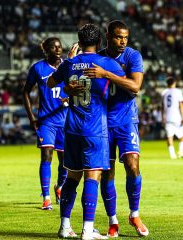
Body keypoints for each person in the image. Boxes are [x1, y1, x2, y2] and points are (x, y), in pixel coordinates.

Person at [48, 23, 125, 240]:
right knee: (93, 176)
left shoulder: (70, 63)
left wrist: (66, 85)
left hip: (71, 128)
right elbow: (130, 84)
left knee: (72, 177)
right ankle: (87, 230)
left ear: (79, 43)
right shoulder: (107, 63)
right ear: (100, 42)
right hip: (95, 128)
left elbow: (50, 83)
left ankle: (64, 227)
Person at [81, 20, 149, 237]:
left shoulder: (132, 56)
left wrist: (107, 74)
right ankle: (113, 220)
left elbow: (136, 87)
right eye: (119, 37)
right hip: (101, 123)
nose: (123, 41)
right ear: (108, 35)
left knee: (133, 164)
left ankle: (134, 214)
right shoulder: (98, 57)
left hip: (126, 120)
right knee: (107, 173)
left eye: (126, 37)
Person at [22, 37, 68, 210]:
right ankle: (46, 197)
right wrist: (31, 117)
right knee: (46, 155)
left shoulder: (68, 66)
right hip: (46, 121)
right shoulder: (38, 68)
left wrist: (70, 98)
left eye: (59, 46)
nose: (57, 50)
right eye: (53, 47)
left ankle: (60, 187)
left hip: (66, 121)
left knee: (65, 162)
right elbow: (25, 92)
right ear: (46, 50)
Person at [161, 77, 183, 159]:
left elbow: (162, 107)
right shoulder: (178, 91)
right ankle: (181, 152)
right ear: (174, 83)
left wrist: (163, 117)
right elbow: (181, 106)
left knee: (169, 136)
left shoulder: (164, 92)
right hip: (176, 116)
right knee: (182, 136)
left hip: (167, 117)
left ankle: (172, 154)